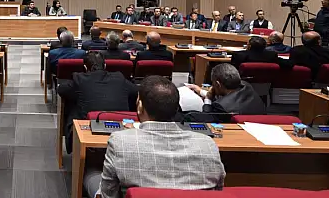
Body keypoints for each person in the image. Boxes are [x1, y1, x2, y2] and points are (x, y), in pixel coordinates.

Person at [86, 76, 225, 198]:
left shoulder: (119, 141)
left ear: (140, 106)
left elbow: (107, 194)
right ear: (177, 108)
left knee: (91, 175)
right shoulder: (208, 144)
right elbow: (217, 191)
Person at [58, 51, 138, 153]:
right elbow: (136, 91)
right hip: (121, 128)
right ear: (105, 65)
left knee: (73, 108)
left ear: (85, 67)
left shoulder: (79, 78)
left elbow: (61, 90)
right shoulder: (119, 77)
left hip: (91, 127)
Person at [187, 63, 266, 123]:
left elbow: (206, 119)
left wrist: (207, 99)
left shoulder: (221, 107)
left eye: (213, 84)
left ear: (218, 84)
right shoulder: (246, 85)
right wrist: (201, 91)